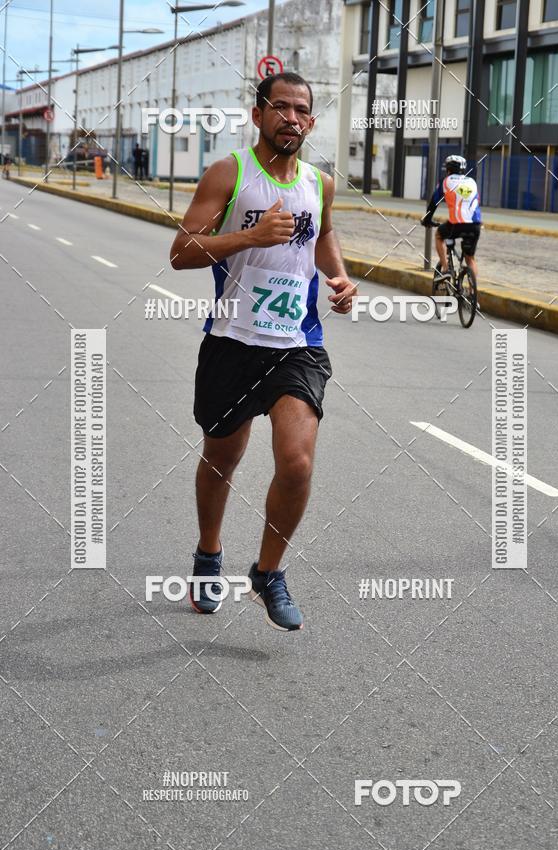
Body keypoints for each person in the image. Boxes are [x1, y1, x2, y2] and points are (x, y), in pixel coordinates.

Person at [170, 72, 356, 631]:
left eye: (302, 110)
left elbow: (322, 235)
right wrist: (248, 236)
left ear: (311, 122)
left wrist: (340, 277)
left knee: (296, 463)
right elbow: (182, 252)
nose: (292, 118)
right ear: (258, 115)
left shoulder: (319, 184)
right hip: (232, 340)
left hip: (296, 342)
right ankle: (208, 554)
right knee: (222, 458)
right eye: (281, 108)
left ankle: (269, 573)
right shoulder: (230, 172)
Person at [421, 154, 481, 281]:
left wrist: (427, 219)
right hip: (475, 225)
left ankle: (445, 268)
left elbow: (434, 202)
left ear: (448, 169)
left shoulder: (446, 182)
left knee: (439, 235)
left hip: (456, 224)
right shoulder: (472, 182)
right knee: (470, 259)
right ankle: (472, 295)